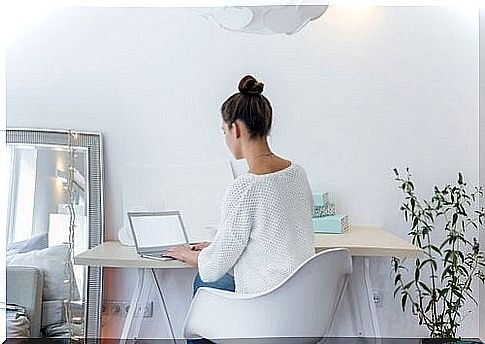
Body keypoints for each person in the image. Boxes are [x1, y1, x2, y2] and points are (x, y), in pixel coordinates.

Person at [165, 75, 315, 297]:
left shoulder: (246, 187)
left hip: (265, 300)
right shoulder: (297, 174)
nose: (225, 138)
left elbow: (214, 268)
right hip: (300, 296)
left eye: (223, 130)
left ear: (235, 129)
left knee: (203, 282)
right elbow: (268, 238)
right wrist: (217, 247)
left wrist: (188, 254)